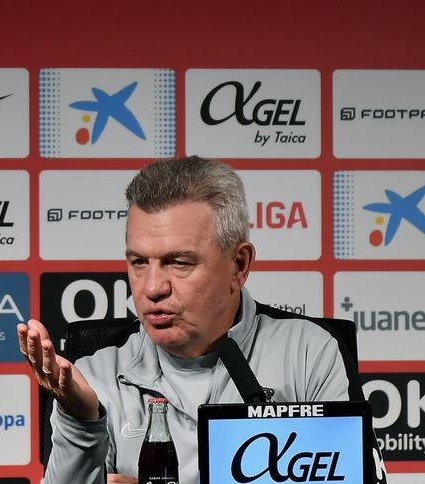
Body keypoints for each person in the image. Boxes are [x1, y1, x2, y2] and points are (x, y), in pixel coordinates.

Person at [19, 156, 367, 484]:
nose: (153, 288)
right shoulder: (96, 375)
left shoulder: (309, 354)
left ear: (239, 265)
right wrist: (81, 420)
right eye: (139, 261)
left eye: (179, 262)